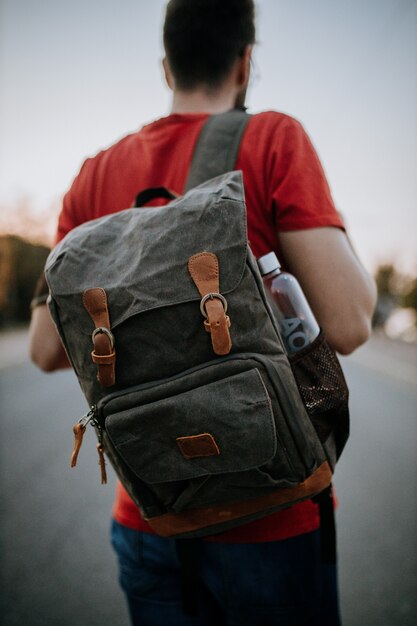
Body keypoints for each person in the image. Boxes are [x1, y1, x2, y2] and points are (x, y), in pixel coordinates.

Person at [29, 1, 377, 624]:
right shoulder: (273, 139)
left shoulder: (92, 177)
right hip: (275, 518)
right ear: (246, 63)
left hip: (152, 518)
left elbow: (45, 350)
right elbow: (350, 323)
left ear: (167, 67)